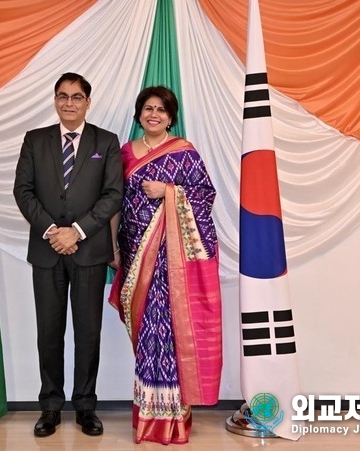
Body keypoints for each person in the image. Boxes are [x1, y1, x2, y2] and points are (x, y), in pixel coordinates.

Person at [109, 86, 222, 445]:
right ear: (139, 114)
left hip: (172, 263)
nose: (153, 114)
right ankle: (147, 416)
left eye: (160, 109)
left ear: (171, 117)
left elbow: (205, 196)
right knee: (146, 338)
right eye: (147, 108)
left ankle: (173, 420)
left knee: (170, 335)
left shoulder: (185, 153)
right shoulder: (125, 153)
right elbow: (113, 201)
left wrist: (169, 191)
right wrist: (113, 244)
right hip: (134, 254)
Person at [14, 72, 123, 437]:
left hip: (88, 251)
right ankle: (50, 407)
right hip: (46, 252)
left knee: (88, 333)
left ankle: (86, 407)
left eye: (77, 97)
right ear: (55, 100)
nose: (69, 103)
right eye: (63, 96)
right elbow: (23, 191)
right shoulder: (35, 140)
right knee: (49, 332)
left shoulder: (105, 142)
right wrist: (52, 232)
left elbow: (112, 195)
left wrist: (75, 232)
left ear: (88, 102)